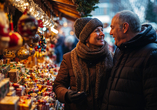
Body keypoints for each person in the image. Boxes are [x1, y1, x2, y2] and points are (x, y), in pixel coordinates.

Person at [101, 10, 157, 110]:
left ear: (125, 27)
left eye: (112, 27)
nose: (110, 32)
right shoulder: (120, 50)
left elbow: (153, 101)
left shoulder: (151, 53)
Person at [54, 18, 113, 110]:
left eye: (102, 30)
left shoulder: (110, 57)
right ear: (86, 38)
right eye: (97, 31)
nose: (102, 34)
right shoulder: (69, 58)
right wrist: (67, 94)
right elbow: (58, 85)